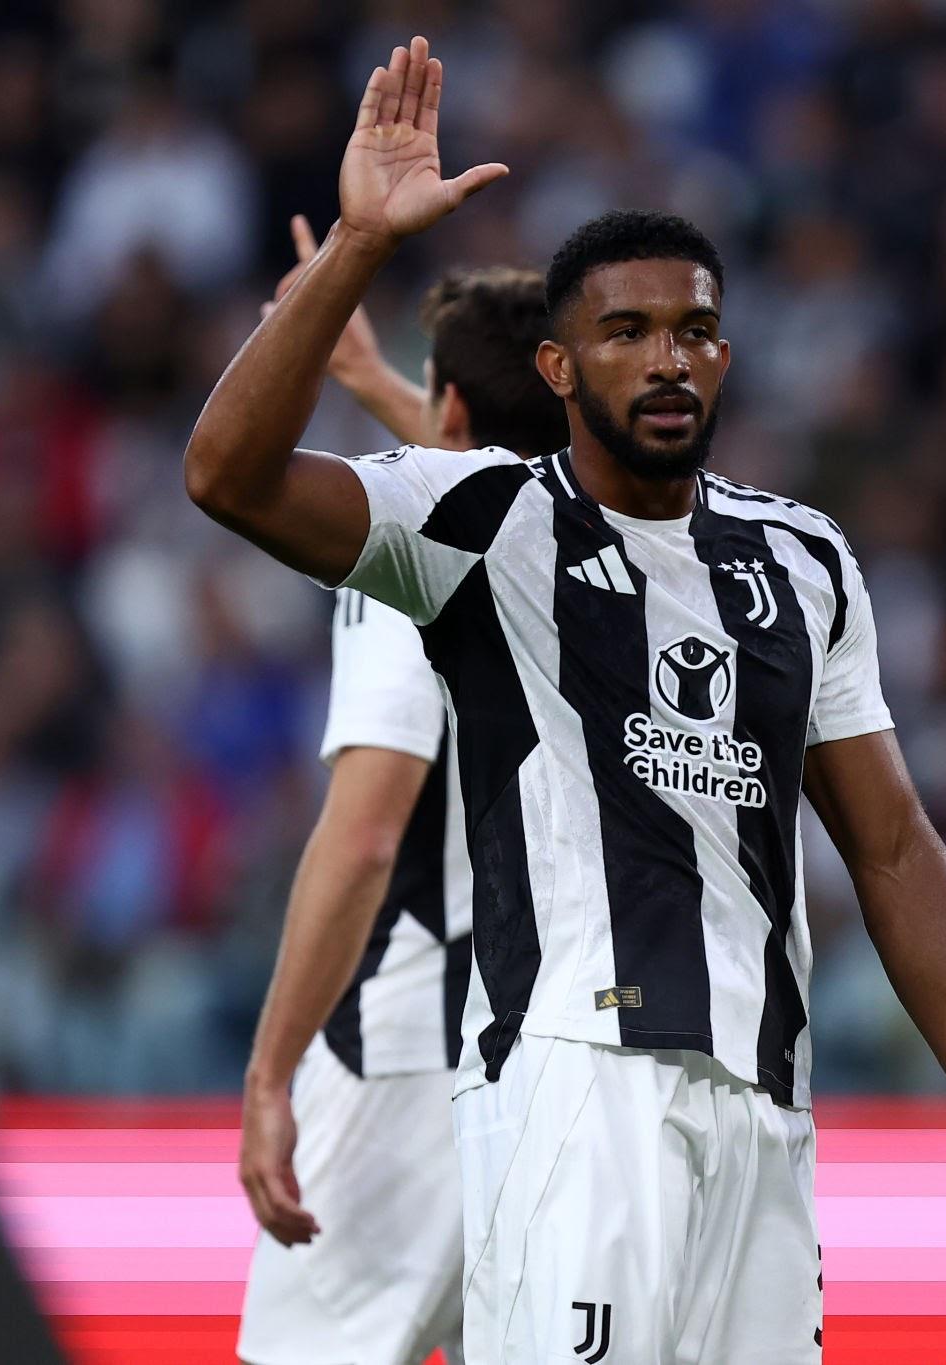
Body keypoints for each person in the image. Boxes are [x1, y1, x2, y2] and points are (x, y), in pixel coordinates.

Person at [188, 37, 946, 1364]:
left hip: (765, 1104)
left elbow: (891, 847)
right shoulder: (480, 521)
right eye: (626, 333)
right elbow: (227, 477)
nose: (668, 360)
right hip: (572, 1084)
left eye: (694, 331)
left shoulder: (803, 557)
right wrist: (357, 247)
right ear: (558, 369)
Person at [237, 217, 569, 1365]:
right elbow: (501, 472)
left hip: (411, 1038)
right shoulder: (608, 560)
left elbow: (367, 833)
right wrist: (380, 379)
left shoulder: (406, 566)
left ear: (452, 410)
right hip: (563, 1056)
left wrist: (269, 1074)